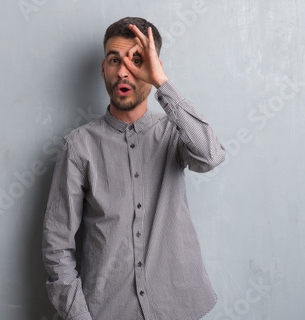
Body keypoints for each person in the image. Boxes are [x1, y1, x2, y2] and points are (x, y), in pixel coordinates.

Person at [41, 17, 226, 320]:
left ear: (152, 67)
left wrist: (162, 84)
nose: (123, 71)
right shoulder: (77, 147)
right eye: (115, 60)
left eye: (137, 60)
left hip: (177, 308)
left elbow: (210, 155)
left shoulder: (173, 133)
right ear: (103, 69)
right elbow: (57, 247)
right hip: (108, 310)